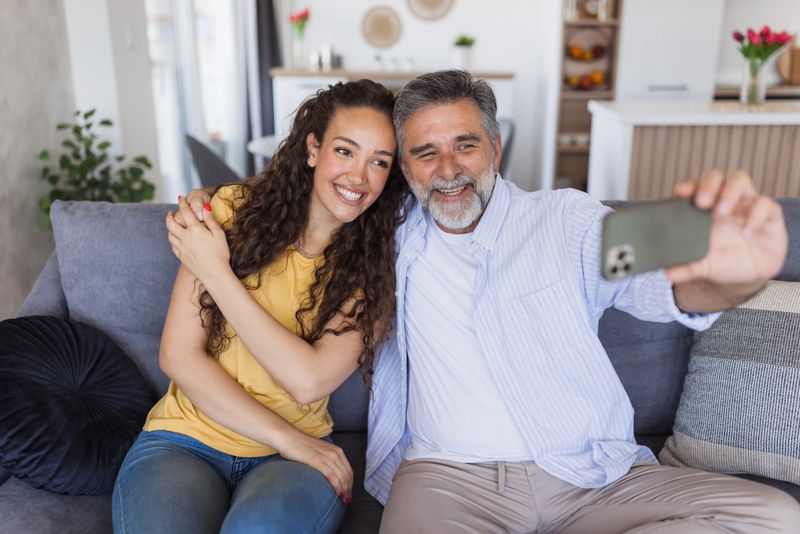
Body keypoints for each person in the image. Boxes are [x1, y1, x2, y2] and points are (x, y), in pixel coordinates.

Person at [185, 70, 800, 532]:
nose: (447, 168)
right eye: (424, 153)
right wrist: (211, 206)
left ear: (496, 148)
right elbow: (309, 198)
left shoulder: (568, 221)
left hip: (595, 478)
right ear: (403, 168)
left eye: (465, 145)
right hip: (449, 482)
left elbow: (665, 271)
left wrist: (731, 272)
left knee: (776, 516)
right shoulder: (386, 241)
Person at [111, 79, 408, 534]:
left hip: (293, 463)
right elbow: (178, 356)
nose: (358, 177)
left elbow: (309, 381)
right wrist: (288, 438)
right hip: (184, 441)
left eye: (379, 162)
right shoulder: (228, 213)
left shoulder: (376, 267)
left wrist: (216, 273)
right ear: (312, 149)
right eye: (345, 151)